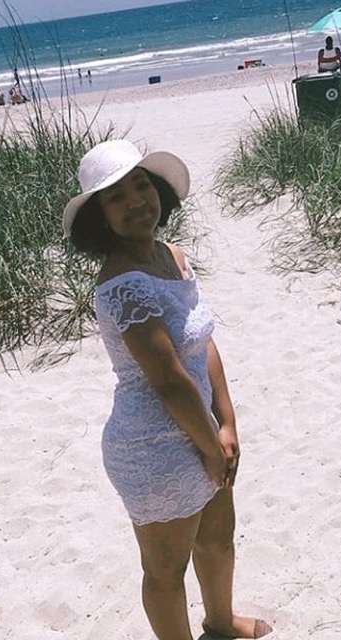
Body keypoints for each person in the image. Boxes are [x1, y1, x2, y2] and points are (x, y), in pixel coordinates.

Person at [62, 139, 273, 640]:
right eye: (117, 196)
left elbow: (203, 341)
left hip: (202, 426)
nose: (136, 200)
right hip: (153, 447)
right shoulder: (122, 285)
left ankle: (220, 623)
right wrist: (212, 447)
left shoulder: (171, 255)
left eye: (141, 185)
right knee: (165, 570)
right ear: (100, 218)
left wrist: (227, 422)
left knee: (218, 539)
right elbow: (169, 381)